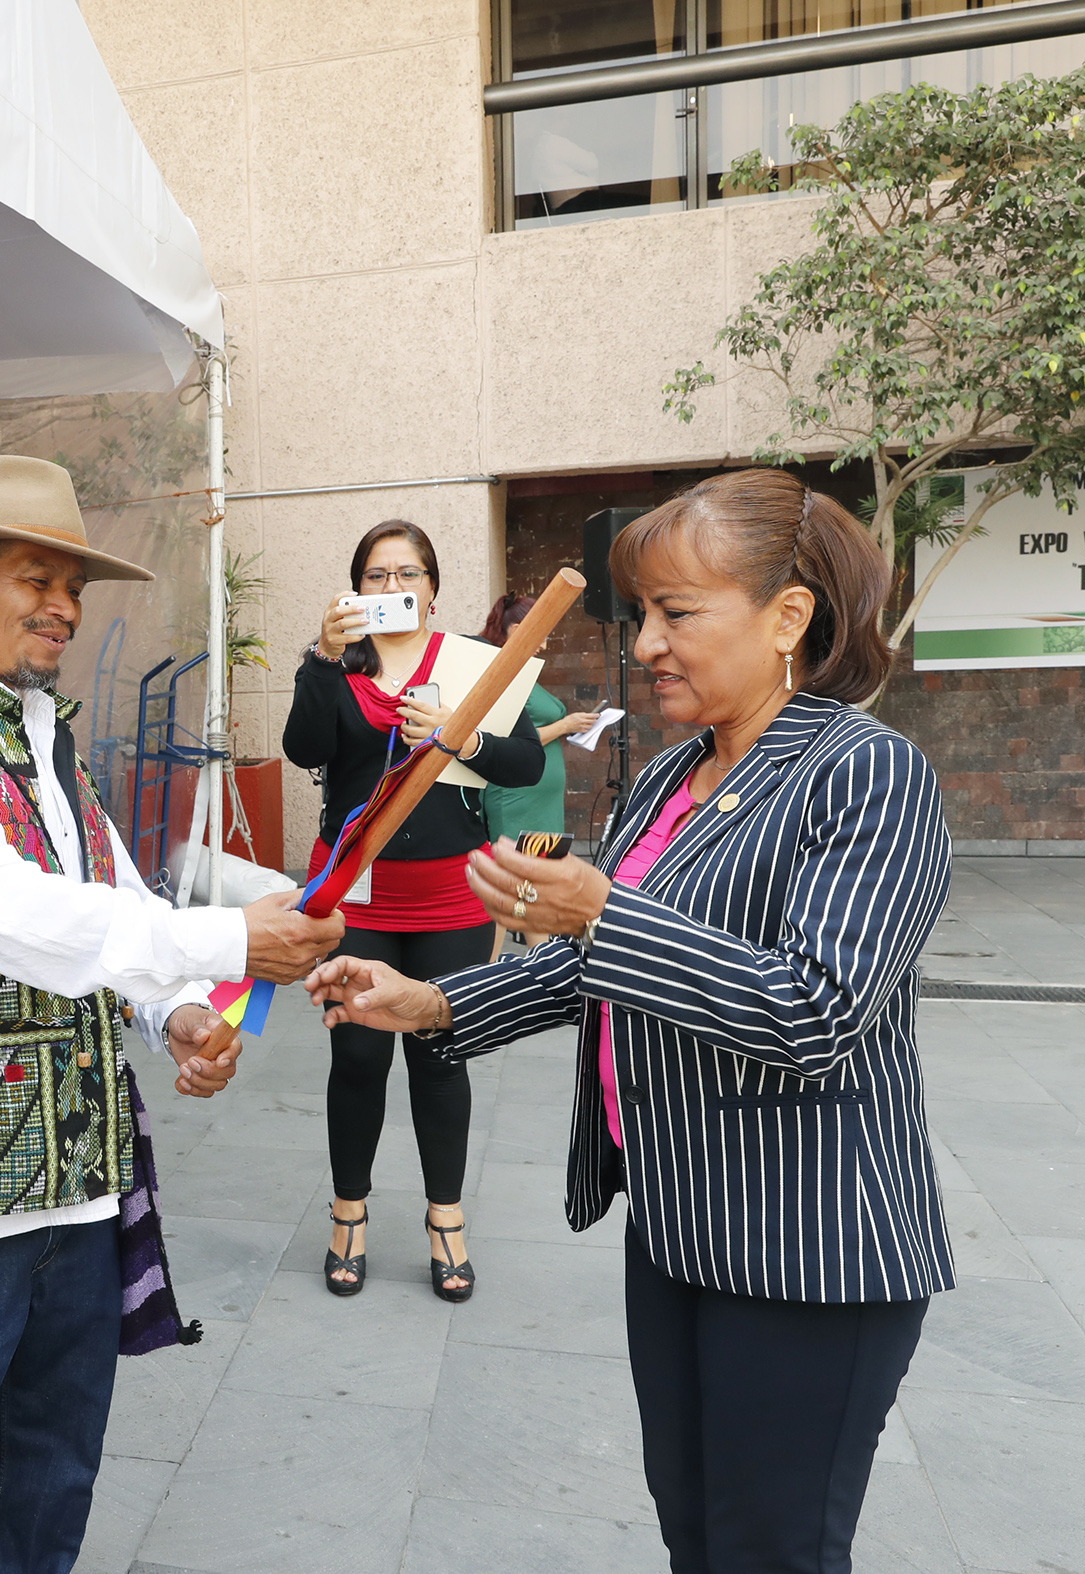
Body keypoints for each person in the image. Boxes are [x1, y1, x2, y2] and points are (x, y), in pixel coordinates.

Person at [306, 469, 953, 1574]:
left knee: (771, 1547)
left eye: (677, 612)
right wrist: (433, 1001)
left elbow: (816, 1010)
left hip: (808, 1240)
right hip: (676, 1217)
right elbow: (595, 968)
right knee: (692, 1527)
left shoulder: (865, 773)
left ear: (788, 617)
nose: (646, 642)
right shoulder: (669, 779)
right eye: (643, 613)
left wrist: (600, 909)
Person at [0, 453, 344, 1572]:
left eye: (73, 586)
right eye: (35, 578)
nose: (64, 606)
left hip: (77, 1177)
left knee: (49, 1483)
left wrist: (180, 1012)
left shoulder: (44, 736)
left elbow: (113, 900)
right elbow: (5, 913)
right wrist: (228, 941)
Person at [281, 520, 546, 1303]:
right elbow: (304, 750)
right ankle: (348, 1214)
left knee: (440, 1057)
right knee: (358, 1057)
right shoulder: (334, 665)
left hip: (450, 898)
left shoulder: (470, 664)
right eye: (376, 574)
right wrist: (321, 658)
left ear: (433, 587)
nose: (392, 586)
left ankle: (446, 1221)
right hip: (358, 892)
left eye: (408, 573)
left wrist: (462, 740)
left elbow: (526, 760)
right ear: (355, 588)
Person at [476, 591, 605, 949]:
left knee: (530, 886)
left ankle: (542, 961)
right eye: (541, 634)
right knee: (509, 882)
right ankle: (486, 968)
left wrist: (570, 728)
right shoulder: (502, 675)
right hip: (517, 798)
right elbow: (503, 739)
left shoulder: (525, 675)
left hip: (539, 803)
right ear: (517, 630)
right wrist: (564, 725)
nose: (545, 644)